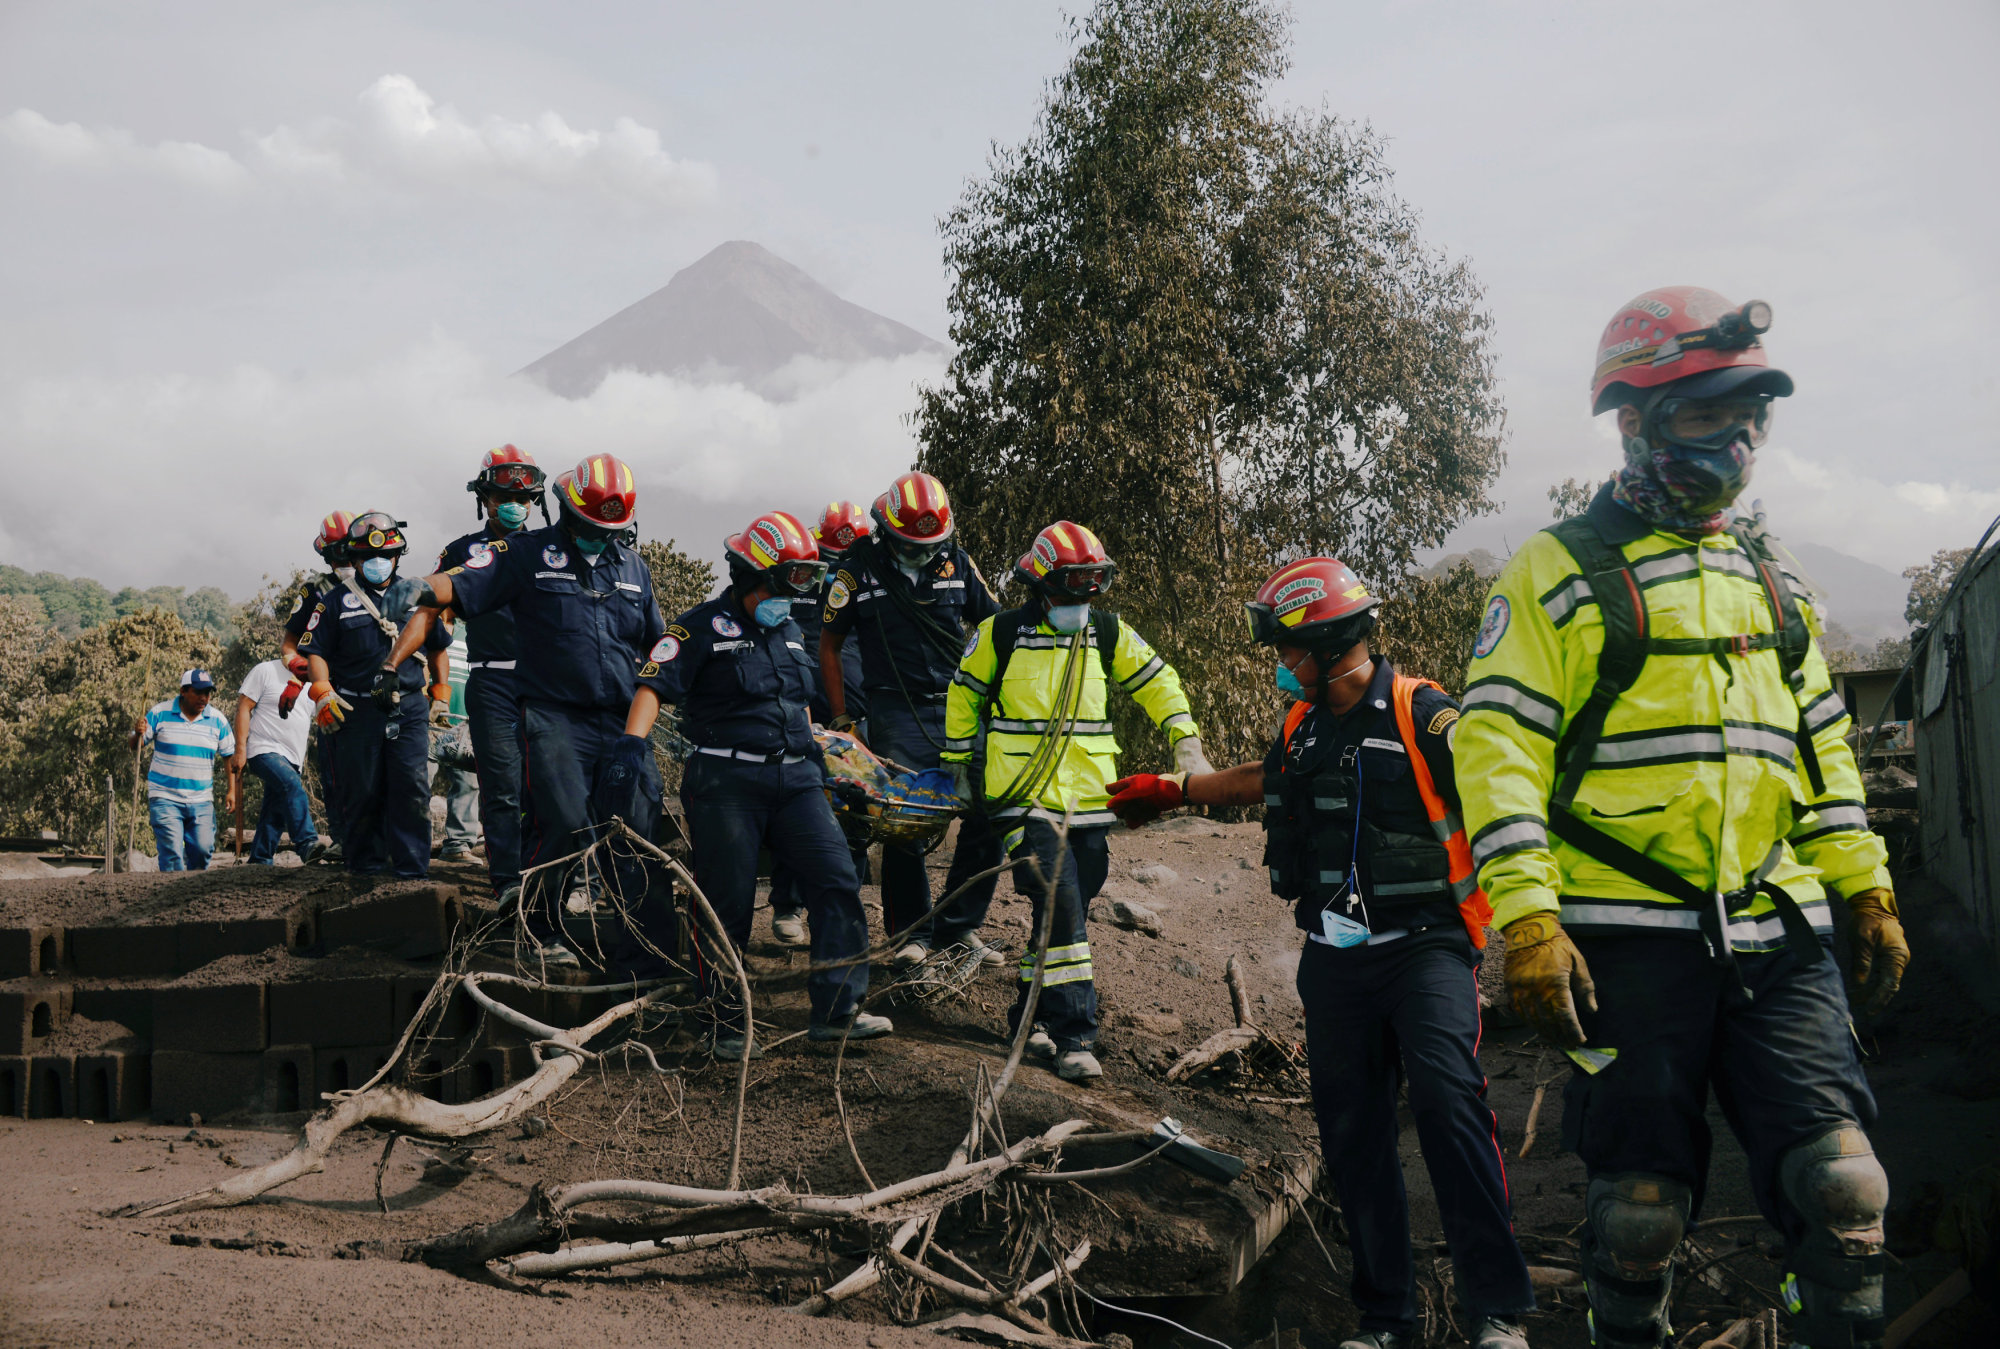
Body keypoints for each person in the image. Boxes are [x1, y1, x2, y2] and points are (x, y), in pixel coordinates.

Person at [1454, 288, 1909, 1349]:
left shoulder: (1771, 578)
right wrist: (1524, 917)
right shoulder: (1557, 571)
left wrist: (1863, 882)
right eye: (1708, 414)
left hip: (1774, 930)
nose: (1739, 439)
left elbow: (1822, 748)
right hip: (1621, 940)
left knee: (1844, 1187)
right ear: (1634, 418)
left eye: (1751, 414)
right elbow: (1496, 745)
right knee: (1635, 1214)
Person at [1108, 558, 1534, 1349]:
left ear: (1327, 643)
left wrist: (1540, 922)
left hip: (1429, 950)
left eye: (1286, 647)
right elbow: (1258, 782)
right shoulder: (1303, 726)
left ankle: (1498, 1312)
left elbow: (1505, 790)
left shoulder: (1424, 713)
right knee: (1352, 1131)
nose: (1279, 663)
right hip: (1336, 960)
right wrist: (1173, 790)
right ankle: (1384, 1320)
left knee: (1448, 1102)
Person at [942, 521, 1206, 1082]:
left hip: (1090, 799)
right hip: (1021, 797)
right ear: (1041, 584)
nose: (1082, 598)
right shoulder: (1001, 632)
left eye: (1093, 585)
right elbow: (964, 693)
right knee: (1060, 897)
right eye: (1071, 586)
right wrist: (959, 766)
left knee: (1068, 908)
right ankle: (1075, 1034)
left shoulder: (1108, 633)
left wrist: (1185, 740)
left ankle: (1026, 1018)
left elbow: (1158, 681)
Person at [385, 453, 668, 968]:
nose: (600, 536)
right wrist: (424, 588)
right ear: (567, 512)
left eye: (612, 529)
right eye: (591, 526)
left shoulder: (633, 568)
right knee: (558, 818)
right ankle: (539, 925)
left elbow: (657, 647)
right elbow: (464, 582)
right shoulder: (526, 554)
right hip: (553, 714)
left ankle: (642, 947)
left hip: (621, 720)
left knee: (640, 822)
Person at [621, 510, 887, 1057]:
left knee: (837, 879)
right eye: (783, 581)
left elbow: (796, 706)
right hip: (725, 781)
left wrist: (843, 751)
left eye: (801, 581)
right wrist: (631, 745)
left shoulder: (790, 631)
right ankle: (723, 1021)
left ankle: (837, 1012)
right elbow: (653, 687)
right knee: (727, 902)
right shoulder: (696, 628)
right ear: (747, 575)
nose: (791, 595)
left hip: (798, 778)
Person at [820, 472, 1001, 968]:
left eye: (930, 545)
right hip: (894, 707)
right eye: (910, 546)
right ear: (887, 532)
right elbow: (830, 646)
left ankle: (959, 925)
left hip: (960, 703)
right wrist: (841, 717)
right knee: (904, 816)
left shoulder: (960, 563)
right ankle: (912, 935)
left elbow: (995, 625)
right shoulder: (856, 572)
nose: (921, 553)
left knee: (992, 807)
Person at [298, 511, 451, 878]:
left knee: (412, 788)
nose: (377, 563)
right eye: (367, 557)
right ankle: (365, 868)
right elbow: (315, 651)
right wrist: (322, 692)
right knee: (362, 790)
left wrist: (441, 693)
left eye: (385, 556)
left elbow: (438, 648)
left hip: (408, 707)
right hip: (356, 709)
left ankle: (412, 870)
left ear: (398, 556)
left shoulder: (419, 598)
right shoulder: (333, 601)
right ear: (354, 559)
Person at [432, 445, 546, 893]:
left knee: (546, 785)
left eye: (523, 499)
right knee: (499, 785)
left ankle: (544, 874)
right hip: (492, 679)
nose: (514, 506)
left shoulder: (550, 547)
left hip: (547, 682)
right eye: (503, 498)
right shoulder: (461, 551)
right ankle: (506, 881)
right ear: (484, 498)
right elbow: (439, 612)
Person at [767, 499, 873, 947]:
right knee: (797, 804)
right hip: (800, 710)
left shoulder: (868, 578)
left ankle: (843, 903)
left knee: (857, 809)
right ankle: (788, 906)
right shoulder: (797, 575)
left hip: (855, 717)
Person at [283, 510, 355, 859]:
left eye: (348, 550)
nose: (344, 559)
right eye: (336, 553)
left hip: (375, 686)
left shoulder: (385, 582)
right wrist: (299, 675)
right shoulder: (315, 589)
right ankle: (343, 837)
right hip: (330, 692)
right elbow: (290, 645)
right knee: (335, 768)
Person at [226, 654, 327, 865]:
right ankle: (307, 843)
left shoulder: (314, 680)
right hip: (263, 749)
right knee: (291, 785)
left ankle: (260, 859)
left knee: (276, 809)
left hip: (293, 757)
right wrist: (240, 750)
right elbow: (244, 707)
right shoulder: (265, 671)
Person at [131, 669, 235, 872]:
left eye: (207, 693)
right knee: (172, 854)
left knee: (203, 849)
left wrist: (232, 790)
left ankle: (191, 891)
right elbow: (136, 745)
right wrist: (137, 733)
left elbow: (229, 755)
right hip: (164, 796)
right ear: (183, 691)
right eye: (198, 692)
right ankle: (170, 897)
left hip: (201, 799)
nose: (204, 698)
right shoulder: (160, 713)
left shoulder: (218, 720)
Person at [431, 624, 482, 863]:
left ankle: (458, 844)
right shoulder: (424, 621)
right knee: (417, 780)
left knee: (468, 783)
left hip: (464, 719)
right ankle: (409, 843)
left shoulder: (473, 626)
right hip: (429, 717)